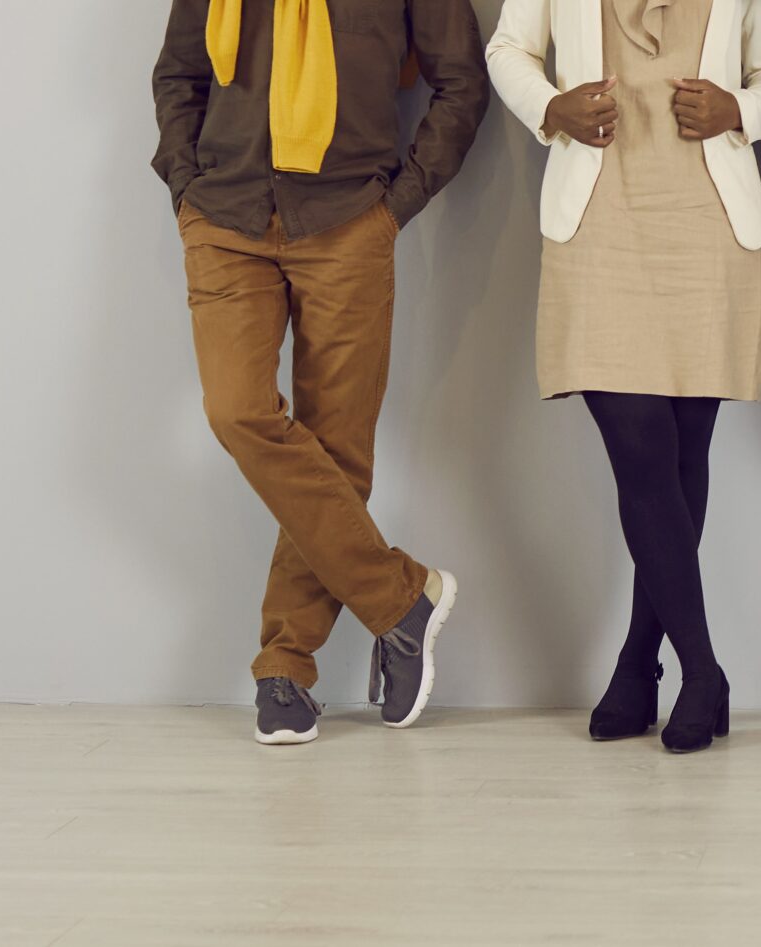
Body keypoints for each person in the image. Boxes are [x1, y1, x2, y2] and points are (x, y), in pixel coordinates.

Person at [152, 0, 489, 745]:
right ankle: (402, 598)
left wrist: (394, 207)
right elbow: (179, 73)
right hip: (225, 218)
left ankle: (286, 666)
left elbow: (462, 81)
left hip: (348, 219)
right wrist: (185, 183)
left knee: (338, 445)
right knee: (237, 410)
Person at [486, 0, 761, 752]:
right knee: (640, 450)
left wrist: (738, 110)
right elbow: (508, 49)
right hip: (599, 218)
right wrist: (552, 106)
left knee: (683, 458)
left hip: (708, 223)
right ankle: (701, 668)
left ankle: (636, 665)